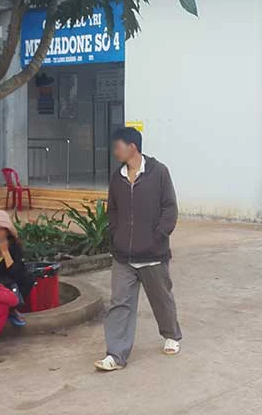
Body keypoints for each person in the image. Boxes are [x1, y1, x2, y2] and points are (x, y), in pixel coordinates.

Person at [94, 127, 182, 372]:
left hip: (153, 254)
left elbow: (170, 208)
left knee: (161, 300)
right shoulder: (117, 177)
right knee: (119, 304)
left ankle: (171, 335)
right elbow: (113, 209)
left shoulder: (159, 172)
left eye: (118, 146)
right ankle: (116, 354)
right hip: (123, 256)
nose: (115, 151)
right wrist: (116, 234)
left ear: (132, 146)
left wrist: (158, 236)